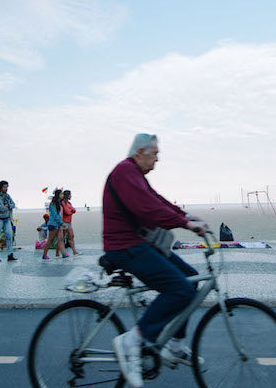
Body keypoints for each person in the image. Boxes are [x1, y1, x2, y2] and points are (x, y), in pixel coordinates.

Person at [103, 134, 209, 388]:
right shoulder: (124, 172)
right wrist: (185, 224)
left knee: (191, 281)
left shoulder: (136, 175)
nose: (157, 159)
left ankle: (175, 346)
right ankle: (131, 341)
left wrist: (186, 215)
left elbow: (157, 201)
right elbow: (148, 210)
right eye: (155, 154)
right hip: (126, 246)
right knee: (179, 288)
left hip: (141, 244)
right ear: (140, 152)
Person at [0, 180, 17, 262]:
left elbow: (13, 204)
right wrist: (7, 207)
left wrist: (8, 205)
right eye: (4, 187)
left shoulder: (8, 196)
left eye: (6, 187)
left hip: (6, 219)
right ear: (0, 188)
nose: (6, 189)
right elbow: (0, 208)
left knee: (9, 236)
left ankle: (10, 254)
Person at [42, 189, 69, 260]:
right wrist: (61, 222)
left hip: (59, 224)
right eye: (61, 194)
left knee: (60, 239)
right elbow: (55, 215)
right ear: (58, 195)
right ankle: (44, 254)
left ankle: (63, 253)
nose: (62, 195)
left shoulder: (60, 203)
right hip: (53, 224)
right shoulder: (53, 204)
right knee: (50, 240)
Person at [61, 189, 80, 255]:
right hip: (64, 222)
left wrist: (71, 210)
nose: (71, 196)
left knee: (71, 236)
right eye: (70, 195)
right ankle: (59, 252)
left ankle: (74, 251)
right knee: (61, 238)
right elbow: (67, 212)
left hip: (69, 222)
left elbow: (74, 210)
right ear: (67, 195)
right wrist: (71, 211)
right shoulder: (63, 203)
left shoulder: (69, 203)